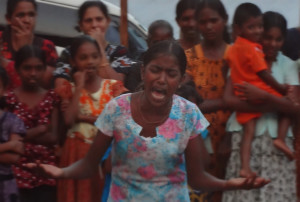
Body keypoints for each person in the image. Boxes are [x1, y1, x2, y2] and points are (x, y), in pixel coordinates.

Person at [26, 41, 269, 201]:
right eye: (156, 70)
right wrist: (60, 172)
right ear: (143, 72)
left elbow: (197, 178)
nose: (162, 79)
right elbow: (90, 165)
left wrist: (233, 183)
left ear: (180, 80)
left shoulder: (189, 114)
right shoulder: (117, 108)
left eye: (171, 74)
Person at [222, 11, 299, 202]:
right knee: (243, 195)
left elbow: (295, 107)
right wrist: (275, 104)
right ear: (259, 34)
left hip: (276, 148)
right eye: (267, 37)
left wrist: (262, 97)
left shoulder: (287, 65)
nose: (272, 44)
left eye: (278, 39)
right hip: (246, 145)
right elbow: (228, 100)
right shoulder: (243, 57)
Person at [57, 35, 126, 202]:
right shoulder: (69, 89)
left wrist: (82, 117)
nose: (90, 62)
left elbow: (118, 124)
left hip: (104, 153)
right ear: (73, 62)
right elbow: (69, 120)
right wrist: (79, 86)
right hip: (75, 152)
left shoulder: (113, 88)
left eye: (95, 56)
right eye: (83, 57)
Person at [184, 0, 231, 201]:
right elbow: (187, 102)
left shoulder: (236, 55)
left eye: (214, 20)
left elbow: (246, 101)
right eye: (204, 22)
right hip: (198, 139)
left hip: (232, 137)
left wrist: (229, 136)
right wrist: (227, 101)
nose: (209, 26)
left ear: (225, 20)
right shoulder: (189, 57)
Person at [5, 45, 60, 202]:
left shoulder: (52, 98)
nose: (33, 73)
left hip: (44, 173)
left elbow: (53, 138)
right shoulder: (8, 99)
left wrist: (20, 137)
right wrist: (40, 129)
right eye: (27, 68)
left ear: (45, 69)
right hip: (12, 173)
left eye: (38, 68)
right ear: (17, 68)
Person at [54, 0, 135, 92]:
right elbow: (60, 87)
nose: (94, 25)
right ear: (81, 25)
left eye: (99, 19)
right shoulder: (69, 53)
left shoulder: (120, 52)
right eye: (88, 21)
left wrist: (98, 46)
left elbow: (115, 86)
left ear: (107, 21)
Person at [0, 0, 58, 89]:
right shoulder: (1, 39)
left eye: (31, 15)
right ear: (8, 19)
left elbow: (47, 84)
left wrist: (26, 49)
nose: (27, 20)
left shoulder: (46, 46)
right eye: (21, 15)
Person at [0, 66, 26, 202]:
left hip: (5, 189)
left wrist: (11, 149)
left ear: (4, 90)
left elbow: (13, 158)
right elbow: (13, 149)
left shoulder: (13, 121)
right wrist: (9, 145)